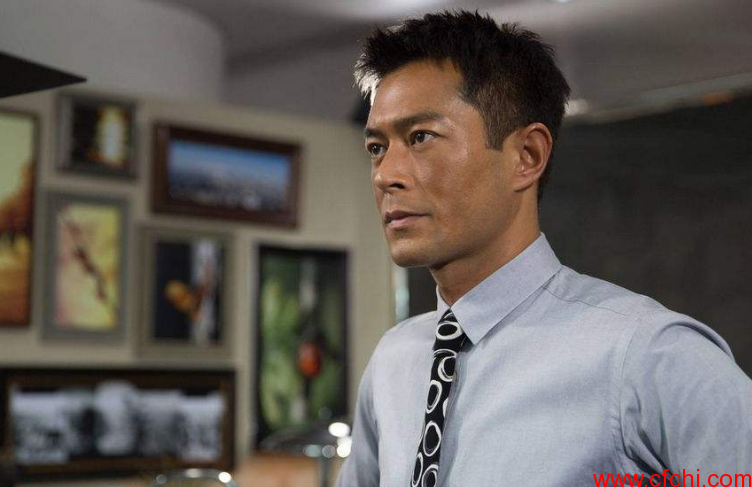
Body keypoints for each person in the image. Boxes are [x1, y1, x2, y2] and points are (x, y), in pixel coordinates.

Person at [335, 10, 752, 487]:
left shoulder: (649, 358)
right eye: (377, 148)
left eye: (421, 137)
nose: (386, 174)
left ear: (526, 156)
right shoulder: (393, 362)